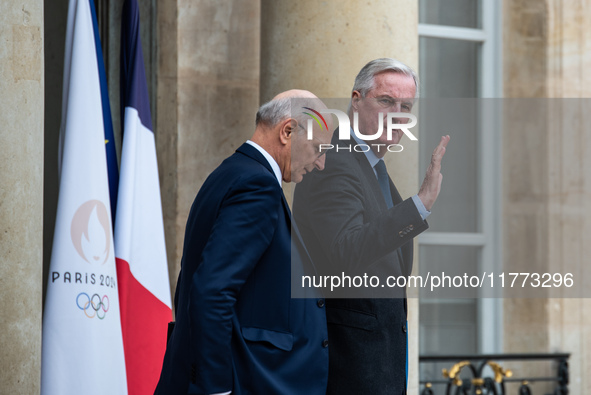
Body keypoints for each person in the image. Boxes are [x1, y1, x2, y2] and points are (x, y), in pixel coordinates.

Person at [155, 90, 333, 395]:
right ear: (287, 131)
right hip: (243, 382)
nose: (321, 163)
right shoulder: (257, 184)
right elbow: (210, 290)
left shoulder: (230, 173)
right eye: (318, 148)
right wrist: (216, 388)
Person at [293, 58, 450, 394]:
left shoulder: (373, 167)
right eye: (385, 101)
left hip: (376, 365)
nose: (397, 113)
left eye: (405, 106)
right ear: (356, 99)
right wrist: (419, 204)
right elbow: (344, 250)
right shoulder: (334, 159)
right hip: (348, 366)